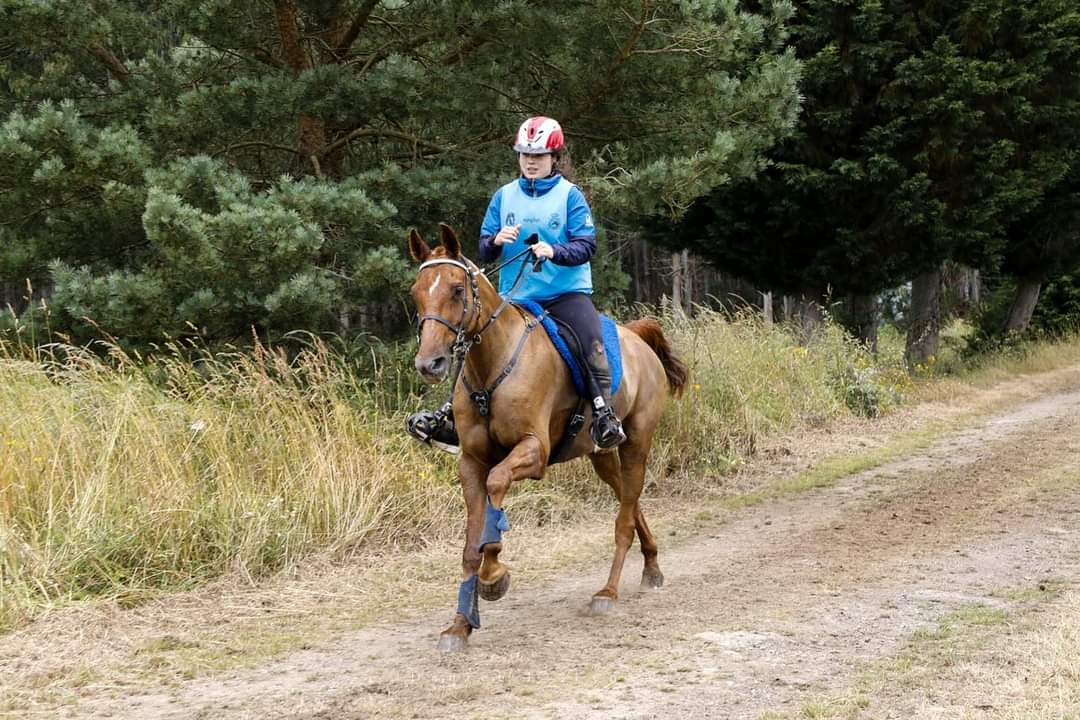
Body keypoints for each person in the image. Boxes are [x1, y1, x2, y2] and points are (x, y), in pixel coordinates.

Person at [406, 116, 626, 453]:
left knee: (589, 340)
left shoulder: (570, 196)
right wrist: (495, 239)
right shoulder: (503, 197)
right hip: (514, 296)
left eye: (538, 156)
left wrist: (555, 250)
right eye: (525, 155)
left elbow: (587, 245)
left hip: (564, 294)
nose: (531, 162)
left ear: (554, 158)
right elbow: (483, 249)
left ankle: (603, 414)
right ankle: (450, 416)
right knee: (472, 343)